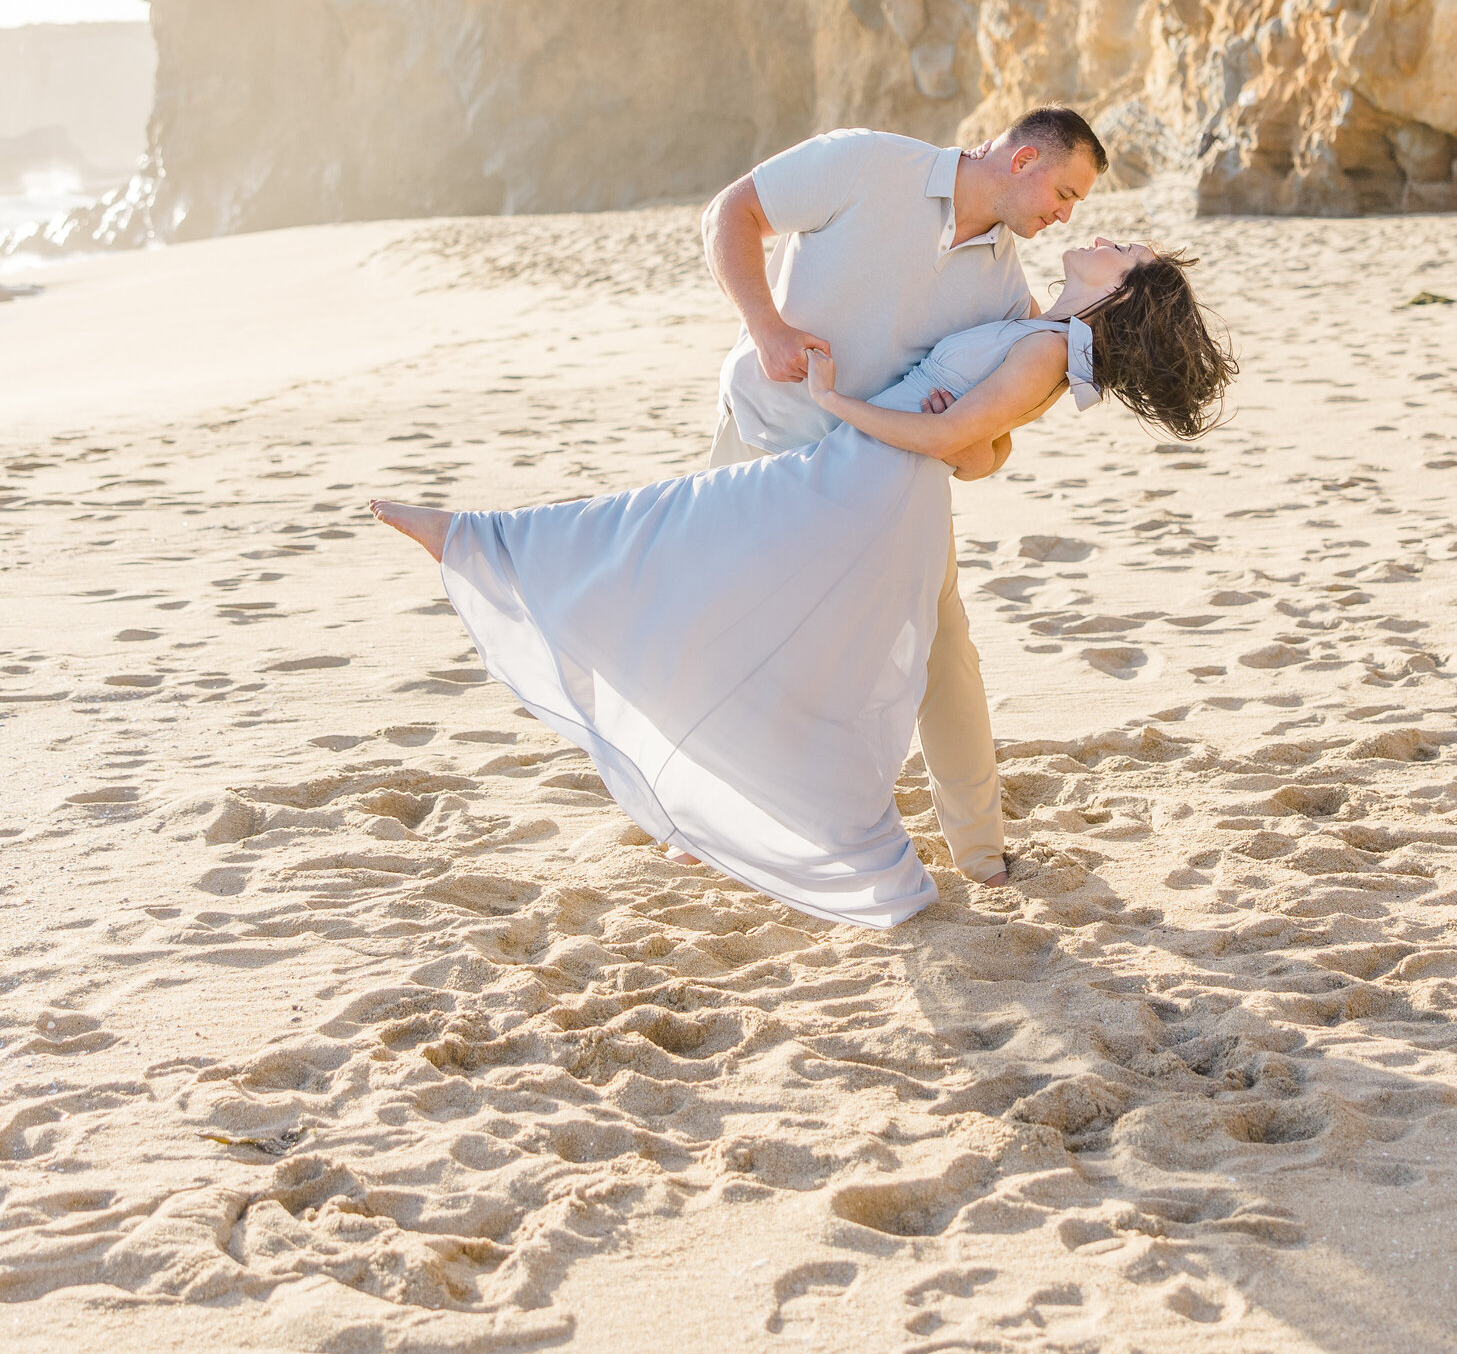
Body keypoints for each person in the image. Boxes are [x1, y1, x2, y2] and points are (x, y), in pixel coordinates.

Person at [370, 235, 1235, 931]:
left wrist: (840, 403)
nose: (1113, 236)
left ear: (1124, 292)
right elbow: (977, 451)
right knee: (759, 587)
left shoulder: (1051, 351)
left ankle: (485, 542)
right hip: (884, 484)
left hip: (868, 476)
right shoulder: (1043, 333)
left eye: (1131, 253)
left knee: (683, 532)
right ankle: (956, 848)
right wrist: (959, 429)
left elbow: (950, 439)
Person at [700, 111, 1106, 888]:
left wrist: (974, 447)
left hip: (879, 478)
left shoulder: (1006, 290)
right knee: (729, 632)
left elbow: (987, 438)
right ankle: (701, 820)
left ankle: (983, 851)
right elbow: (733, 212)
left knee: (942, 649)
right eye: (1063, 192)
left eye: (1073, 205)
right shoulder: (865, 163)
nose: (1064, 215)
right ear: (1022, 159)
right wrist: (766, 328)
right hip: (763, 434)